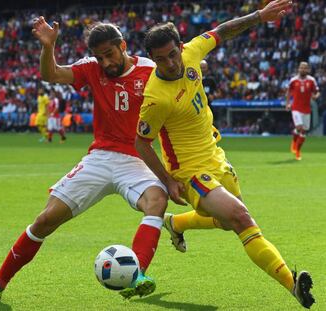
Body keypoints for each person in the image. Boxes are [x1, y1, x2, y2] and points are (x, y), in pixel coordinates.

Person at [0, 19, 169, 302]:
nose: (105, 62)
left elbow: (176, 80)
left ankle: (138, 274)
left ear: (123, 46)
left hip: (136, 159)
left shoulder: (149, 70)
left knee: (156, 200)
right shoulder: (91, 67)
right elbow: (52, 75)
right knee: (45, 220)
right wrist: (49, 47)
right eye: (100, 57)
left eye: (110, 54)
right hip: (100, 157)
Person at [135, 0, 314, 309]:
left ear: (181, 46)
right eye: (161, 60)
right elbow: (141, 142)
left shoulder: (192, 51)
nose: (171, 63)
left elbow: (223, 30)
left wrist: (260, 16)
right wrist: (168, 181)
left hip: (216, 156)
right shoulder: (155, 99)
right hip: (190, 173)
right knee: (241, 217)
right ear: (152, 59)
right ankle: (292, 283)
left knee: (227, 220)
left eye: (173, 54)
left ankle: (175, 224)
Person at [286, 61, 320, 160]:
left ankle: (296, 144)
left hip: (306, 109)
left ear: (308, 69)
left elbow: (317, 92)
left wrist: (315, 96)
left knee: (303, 132)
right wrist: (288, 103)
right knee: (300, 127)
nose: (303, 69)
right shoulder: (293, 80)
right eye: (301, 67)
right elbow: (288, 92)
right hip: (296, 108)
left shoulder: (311, 80)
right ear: (298, 69)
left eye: (305, 68)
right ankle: (297, 151)